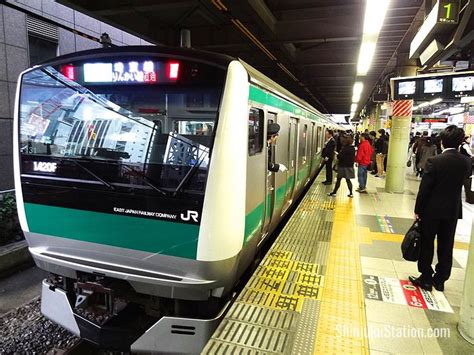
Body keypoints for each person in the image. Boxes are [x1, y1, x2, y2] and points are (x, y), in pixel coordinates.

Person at [409, 125, 471, 292]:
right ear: (459, 143)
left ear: (442, 142)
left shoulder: (435, 162)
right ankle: (441, 280)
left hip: (431, 211)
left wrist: (418, 210)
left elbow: (425, 190)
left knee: (427, 243)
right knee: (446, 245)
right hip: (452, 211)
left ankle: (426, 278)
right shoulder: (466, 162)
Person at [459, 135, 473, 204]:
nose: (470, 140)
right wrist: (472, 155)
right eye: (469, 139)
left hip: (462, 160)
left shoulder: (462, 145)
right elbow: (469, 152)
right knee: (467, 175)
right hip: (466, 160)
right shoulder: (465, 145)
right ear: (466, 139)